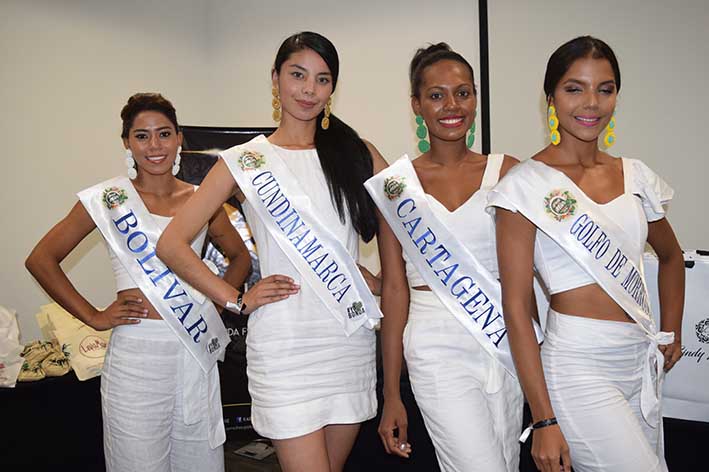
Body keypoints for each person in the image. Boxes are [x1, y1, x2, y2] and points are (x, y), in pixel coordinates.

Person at [157, 32, 387, 472]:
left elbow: (408, 226)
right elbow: (171, 244)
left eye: (321, 80)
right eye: (297, 75)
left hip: (347, 337)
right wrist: (235, 299)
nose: (308, 90)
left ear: (332, 89)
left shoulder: (355, 152)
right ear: (276, 79)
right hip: (285, 343)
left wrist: (377, 280)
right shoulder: (244, 161)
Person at [25, 93, 255, 471]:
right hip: (136, 359)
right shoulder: (107, 199)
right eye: (142, 136)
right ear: (127, 142)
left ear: (179, 138)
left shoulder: (201, 200)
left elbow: (241, 256)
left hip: (193, 352)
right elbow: (41, 260)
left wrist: (215, 301)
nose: (155, 146)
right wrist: (94, 316)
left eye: (164, 134)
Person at [488, 36, 684, 472]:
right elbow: (517, 308)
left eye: (605, 88)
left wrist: (672, 329)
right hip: (579, 368)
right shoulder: (525, 186)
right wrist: (544, 419)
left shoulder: (635, 175)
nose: (591, 103)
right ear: (550, 98)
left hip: (641, 362)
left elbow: (671, 257)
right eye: (574, 88)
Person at [370, 43, 530, 472]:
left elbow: (533, 274)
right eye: (437, 95)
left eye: (463, 92)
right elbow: (395, 289)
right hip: (435, 342)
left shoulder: (510, 172)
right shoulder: (395, 186)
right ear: (416, 105)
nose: (452, 105)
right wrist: (390, 394)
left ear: (476, 97)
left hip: (504, 334)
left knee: (507, 461)